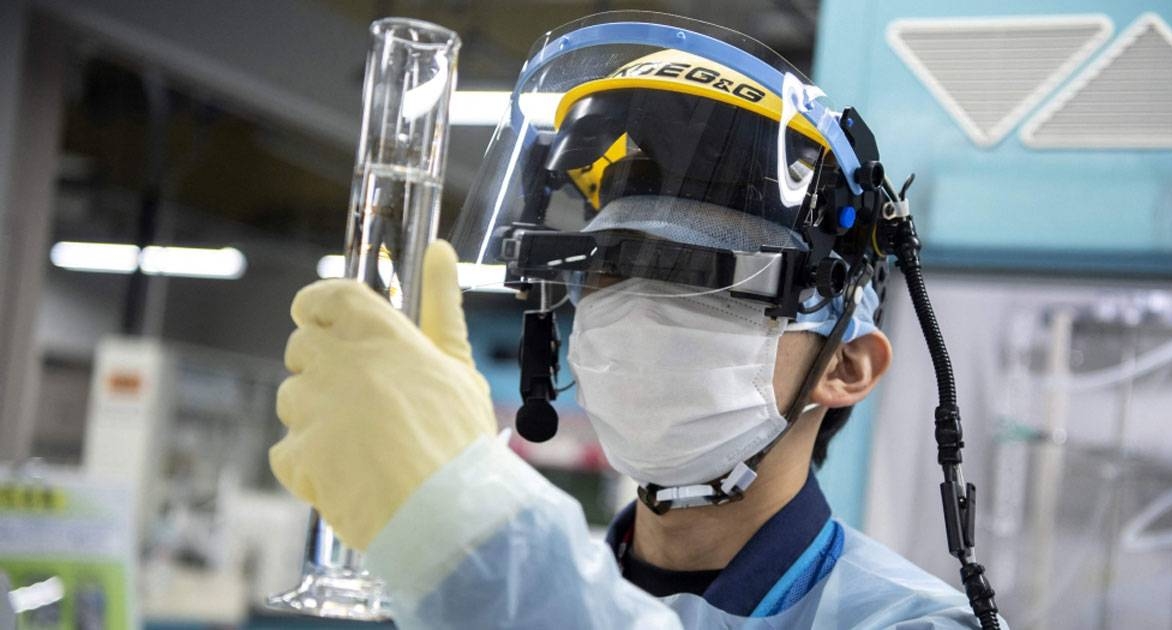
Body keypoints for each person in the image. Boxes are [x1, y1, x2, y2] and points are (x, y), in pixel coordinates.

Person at [269, 12, 1003, 629]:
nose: (637, 309)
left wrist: (472, 536)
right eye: (609, 269)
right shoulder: (490, 590)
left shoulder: (910, 620)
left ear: (847, 367)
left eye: (709, 277)